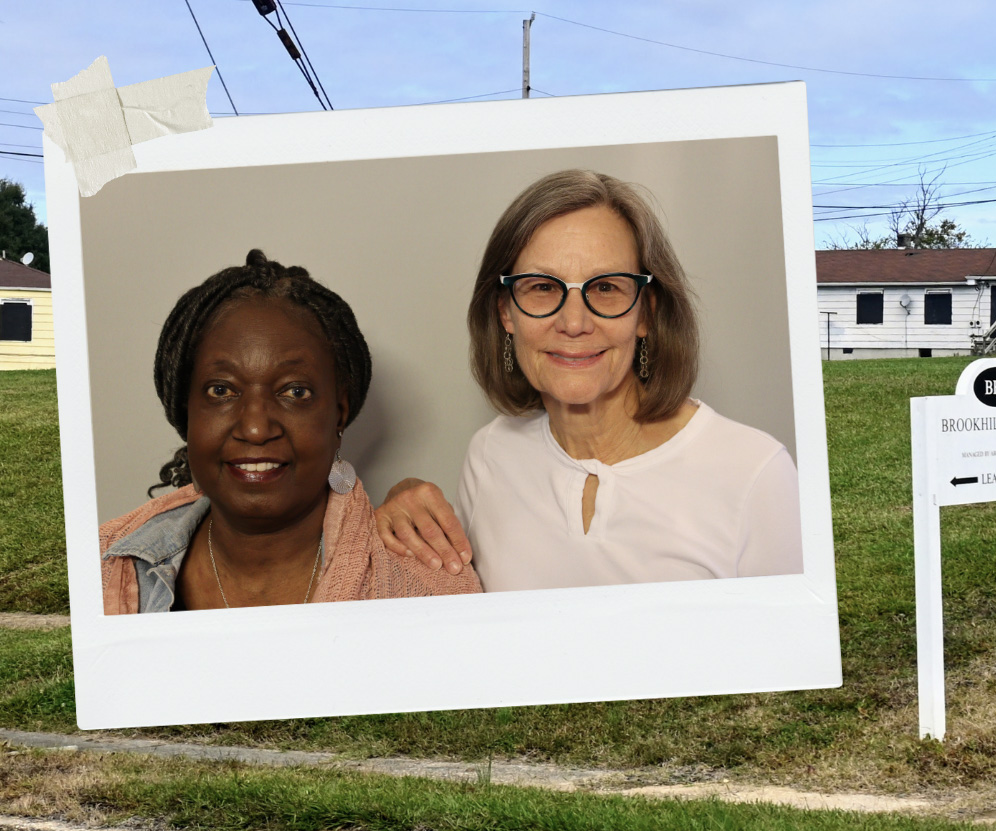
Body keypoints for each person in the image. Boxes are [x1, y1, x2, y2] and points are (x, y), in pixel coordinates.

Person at [377, 170, 802, 592]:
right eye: (543, 286)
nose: (575, 323)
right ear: (506, 312)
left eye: (605, 288)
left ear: (646, 313)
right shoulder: (489, 455)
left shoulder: (756, 474)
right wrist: (403, 502)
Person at [100, 250, 481, 613]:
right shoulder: (102, 566)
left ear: (338, 414)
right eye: (221, 390)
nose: (254, 428)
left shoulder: (429, 588)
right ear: (186, 412)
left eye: (295, 392)